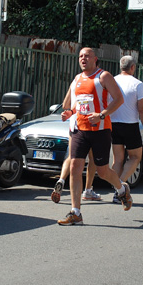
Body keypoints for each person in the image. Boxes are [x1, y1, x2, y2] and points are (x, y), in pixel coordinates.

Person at [57, 47, 133, 226]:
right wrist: (69, 113)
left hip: (100, 130)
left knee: (103, 171)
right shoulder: (77, 79)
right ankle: (76, 212)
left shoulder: (104, 76)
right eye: (81, 56)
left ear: (95, 59)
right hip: (79, 130)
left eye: (87, 56)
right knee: (75, 167)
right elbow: (78, 105)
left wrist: (102, 114)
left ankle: (122, 190)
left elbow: (119, 99)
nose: (83, 58)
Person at [110, 55, 143, 203]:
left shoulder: (112, 81)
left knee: (117, 160)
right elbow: (142, 109)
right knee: (135, 157)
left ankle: (117, 190)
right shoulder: (137, 84)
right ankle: (120, 187)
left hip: (113, 124)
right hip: (130, 125)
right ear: (133, 67)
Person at [52, 90, 101, 203]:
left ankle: (61, 180)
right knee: (92, 158)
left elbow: (65, 105)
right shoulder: (94, 80)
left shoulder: (75, 81)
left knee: (71, 156)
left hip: (73, 123)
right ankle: (88, 190)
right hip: (87, 123)